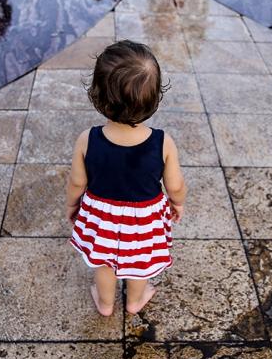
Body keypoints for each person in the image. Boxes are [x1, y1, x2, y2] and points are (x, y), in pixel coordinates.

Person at [66, 40, 187, 317]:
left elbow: (76, 182)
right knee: (139, 261)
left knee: (105, 262)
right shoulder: (162, 142)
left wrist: (72, 205)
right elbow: (175, 185)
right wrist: (177, 203)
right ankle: (135, 299)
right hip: (144, 219)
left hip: (101, 215)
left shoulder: (88, 139)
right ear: (155, 98)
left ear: (96, 96)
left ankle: (106, 303)